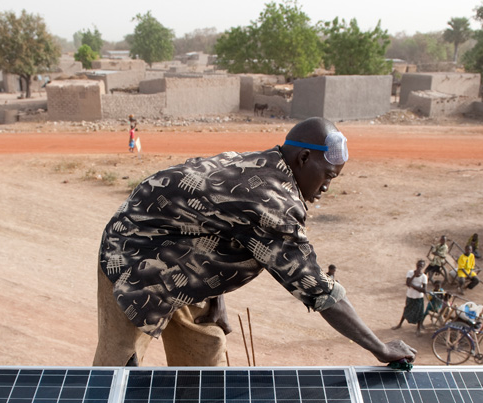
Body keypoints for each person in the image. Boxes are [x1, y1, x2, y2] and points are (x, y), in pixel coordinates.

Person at [93, 117, 416, 367]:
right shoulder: (270, 203)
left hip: (181, 260)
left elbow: (213, 229)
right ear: (304, 158)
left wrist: (215, 296)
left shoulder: (263, 162)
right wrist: (381, 348)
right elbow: (317, 288)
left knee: (204, 351)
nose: (328, 186)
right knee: (120, 366)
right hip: (132, 258)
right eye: (328, 175)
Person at [393, 259, 428, 336]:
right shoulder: (410, 273)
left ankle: (418, 329)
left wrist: (412, 285)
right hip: (410, 295)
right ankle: (399, 324)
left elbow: (424, 290)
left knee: (419, 313)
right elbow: (408, 283)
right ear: (416, 265)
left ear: (423, 267)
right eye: (418, 265)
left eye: (421, 266)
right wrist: (414, 276)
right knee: (406, 309)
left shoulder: (424, 277)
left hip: (418, 297)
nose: (419, 267)